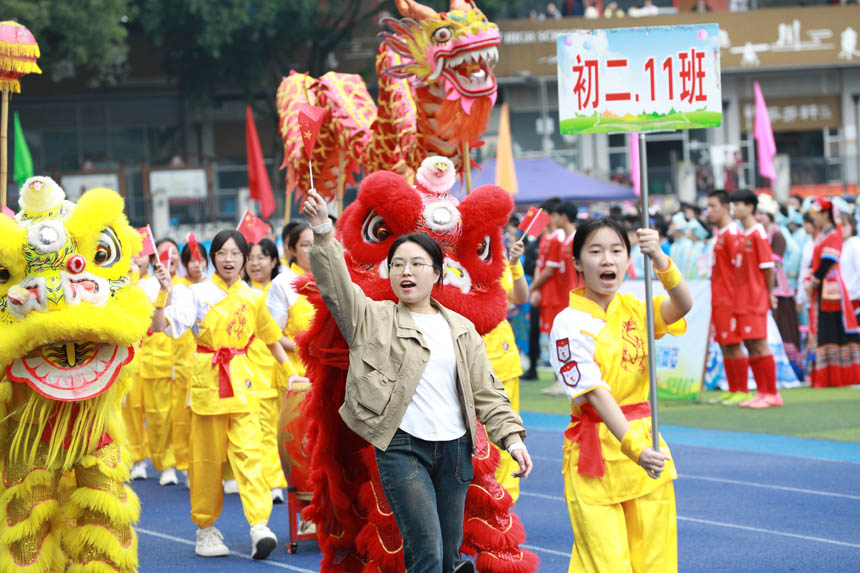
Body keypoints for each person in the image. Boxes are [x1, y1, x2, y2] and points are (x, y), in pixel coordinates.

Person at [302, 187, 533, 573]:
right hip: (401, 448)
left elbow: (487, 392)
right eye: (397, 264)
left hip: (456, 452)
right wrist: (323, 231)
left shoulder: (461, 328)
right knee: (425, 550)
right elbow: (337, 288)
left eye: (417, 264)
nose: (406, 272)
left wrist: (511, 438)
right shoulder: (371, 318)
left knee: (446, 555)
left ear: (438, 272)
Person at [549, 216, 691, 573]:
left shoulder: (635, 308)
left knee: (655, 562)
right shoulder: (568, 323)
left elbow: (682, 305)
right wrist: (633, 448)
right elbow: (595, 394)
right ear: (578, 263)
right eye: (595, 252)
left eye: (617, 251)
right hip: (599, 458)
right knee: (606, 565)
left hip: (647, 452)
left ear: (629, 259)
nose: (608, 260)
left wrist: (660, 258)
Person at [151, 230, 294, 560]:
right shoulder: (194, 293)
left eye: (235, 254)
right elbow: (162, 325)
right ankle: (205, 529)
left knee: (250, 455)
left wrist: (292, 372)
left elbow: (271, 337)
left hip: (244, 385)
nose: (229, 260)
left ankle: (259, 524)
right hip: (207, 387)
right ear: (211, 258)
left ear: (244, 259)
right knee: (206, 462)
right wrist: (163, 294)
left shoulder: (254, 296)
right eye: (222, 253)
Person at [244, 238, 290, 504]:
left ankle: (285, 478)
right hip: (254, 371)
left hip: (283, 370)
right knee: (262, 430)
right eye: (250, 257)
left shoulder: (281, 288)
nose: (255, 263)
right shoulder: (242, 292)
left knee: (284, 430)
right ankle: (272, 482)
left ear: (274, 261)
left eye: (261, 257)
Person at [484, 238, 529, 503]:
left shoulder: (500, 259)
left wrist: (514, 264)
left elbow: (520, 297)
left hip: (503, 359)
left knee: (506, 434)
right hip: (466, 359)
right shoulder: (452, 264)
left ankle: (502, 503)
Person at [135, 238, 180, 486]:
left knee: (171, 417)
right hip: (148, 362)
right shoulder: (144, 286)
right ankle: (148, 461)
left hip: (175, 362)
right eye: (164, 252)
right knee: (152, 415)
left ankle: (172, 463)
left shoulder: (183, 288)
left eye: (174, 253)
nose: (169, 257)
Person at [730, 190, 781, 408]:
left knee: (760, 344)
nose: (735, 208)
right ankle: (761, 392)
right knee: (751, 345)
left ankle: (772, 393)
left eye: (739, 204)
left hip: (755, 298)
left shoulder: (758, 234)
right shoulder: (743, 234)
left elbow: (768, 268)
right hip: (742, 298)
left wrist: (768, 293)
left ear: (751, 207)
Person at [805, 198, 860, 387]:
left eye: (817, 215)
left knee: (832, 329)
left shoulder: (833, 235)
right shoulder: (822, 234)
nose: (815, 219)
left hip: (831, 288)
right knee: (823, 328)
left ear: (825, 214)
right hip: (823, 287)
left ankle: (838, 375)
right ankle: (827, 374)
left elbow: (828, 260)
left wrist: (815, 278)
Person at [172, 240, 210, 488]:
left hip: (209, 364)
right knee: (183, 420)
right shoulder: (179, 290)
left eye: (201, 259)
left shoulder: (214, 290)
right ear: (185, 265)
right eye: (192, 260)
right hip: (184, 364)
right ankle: (187, 466)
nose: (197, 264)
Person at [534, 201, 579, 396]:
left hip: (570, 297)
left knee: (569, 339)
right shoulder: (564, 240)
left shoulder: (572, 240)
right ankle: (563, 379)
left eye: (553, 215)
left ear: (562, 217)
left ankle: (569, 380)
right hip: (563, 296)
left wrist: (532, 288)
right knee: (559, 338)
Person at [706, 190, 746, 404]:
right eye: (708, 206)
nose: (709, 211)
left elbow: (739, 270)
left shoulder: (733, 234)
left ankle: (742, 389)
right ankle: (733, 388)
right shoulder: (720, 235)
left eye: (713, 206)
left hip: (730, 298)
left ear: (725, 206)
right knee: (724, 343)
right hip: (718, 298)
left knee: (733, 343)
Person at [840, 210, 860, 324]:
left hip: (854, 298)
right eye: (839, 225)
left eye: (844, 225)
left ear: (852, 226)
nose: (841, 229)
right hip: (842, 298)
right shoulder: (840, 245)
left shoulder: (855, 244)